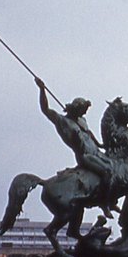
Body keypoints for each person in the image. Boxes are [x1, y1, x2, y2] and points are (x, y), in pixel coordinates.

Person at [36, 77, 121, 208]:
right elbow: (45, 109)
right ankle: (105, 202)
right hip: (85, 156)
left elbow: (89, 133)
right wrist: (42, 89)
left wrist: (100, 144)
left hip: (97, 153)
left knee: (117, 169)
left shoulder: (81, 120)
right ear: (77, 109)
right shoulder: (62, 121)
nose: (85, 113)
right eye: (83, 110)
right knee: (107, 172)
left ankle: (109, 198)